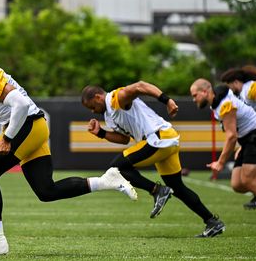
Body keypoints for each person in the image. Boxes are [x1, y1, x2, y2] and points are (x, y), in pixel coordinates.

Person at [0, 47, 137, 257]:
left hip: (28, 125)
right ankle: (107, 181)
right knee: (46, 191)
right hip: (31, 126)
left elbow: (21, 104)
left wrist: (7, 138)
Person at [81, 81, 225, 237]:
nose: (92, 112)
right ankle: (212, 222)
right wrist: (101, 133)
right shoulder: (109, 115)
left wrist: (167, 100)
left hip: (157, 138)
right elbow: (124, 139)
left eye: (92, 107)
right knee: (178, 188)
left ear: (97, 97)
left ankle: (157, 191)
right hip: (163, 140)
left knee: (116, 169)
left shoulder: (114, 98)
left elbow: (140, 86)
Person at [190, 78, 256, 226]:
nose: (193, 99)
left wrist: (220, 162)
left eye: (195, 95)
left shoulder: (225, 104)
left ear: (205, 92)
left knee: (249, 180)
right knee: (238, 184)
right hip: (247, 140)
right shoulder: (216, 102)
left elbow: (231, 136)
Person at [220, 67, 256, 210]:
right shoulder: (241, 95)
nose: (229, 90)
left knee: (248, 180)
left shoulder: (249, 88)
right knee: (241, 182)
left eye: (229, 85)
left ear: (236, 82)